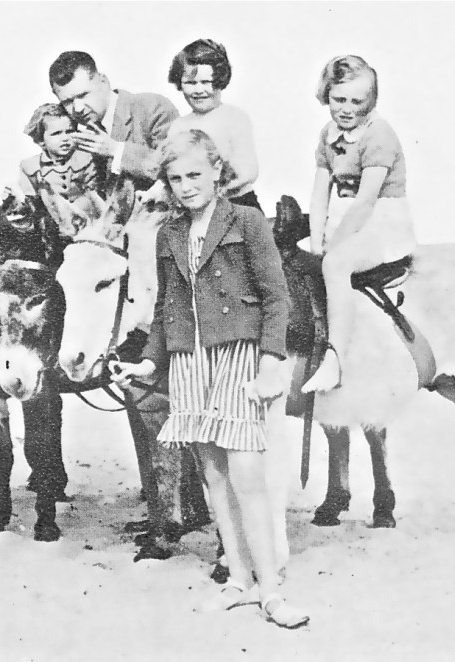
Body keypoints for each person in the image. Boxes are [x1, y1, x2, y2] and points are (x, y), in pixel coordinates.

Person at [110, 129, 309, 629]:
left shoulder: (247, 221)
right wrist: (150, 363)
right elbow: (165, 309)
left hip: (239, 356)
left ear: (217, 171)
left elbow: (275, 298)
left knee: (248, 477)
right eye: (175, 179)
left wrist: (270, 362)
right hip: (189, 362)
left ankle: (271, 591)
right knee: (214, 475)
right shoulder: (168, 234)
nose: (186, 186)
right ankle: (239, 581)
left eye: (195, 175)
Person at [300, 56, 416, 393]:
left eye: (357, 101)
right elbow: (320, 192)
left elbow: (366, 200)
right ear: (327, 96)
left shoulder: (378, 134)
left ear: (371, 101)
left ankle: (335, 360)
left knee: (335, 265)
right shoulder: (328, 134)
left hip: (379, 222)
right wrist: (317, 239)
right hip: (344, 219)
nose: (347, 109)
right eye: (339, 99)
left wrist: (332, 248)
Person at [48, 51, 177, 196]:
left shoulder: (153, 107)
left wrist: (116, 150)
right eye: (67, 102)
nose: (77, 108)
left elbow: (178, 169)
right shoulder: (72, 131)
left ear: (104, 81)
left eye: (83, 95)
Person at [160, 38, 262, 211]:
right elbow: (171, 173)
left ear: (220, 81)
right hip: (194, 209)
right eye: (191, 83)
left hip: (237, 205)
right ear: (180, 83)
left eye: (206, 82)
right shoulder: (178, 127)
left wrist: (212, 193)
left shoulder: (234, 117)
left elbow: (248, 172)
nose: (199, 90)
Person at [3, 102, 101, 223]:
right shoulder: (31, 167)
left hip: (91, 224)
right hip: (55, 228)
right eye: (56, 133)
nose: (65, 138)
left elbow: (97, 196)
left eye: (69, 131)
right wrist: (16, 198)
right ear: (41, 140)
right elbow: (31, 204)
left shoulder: (86, 158)